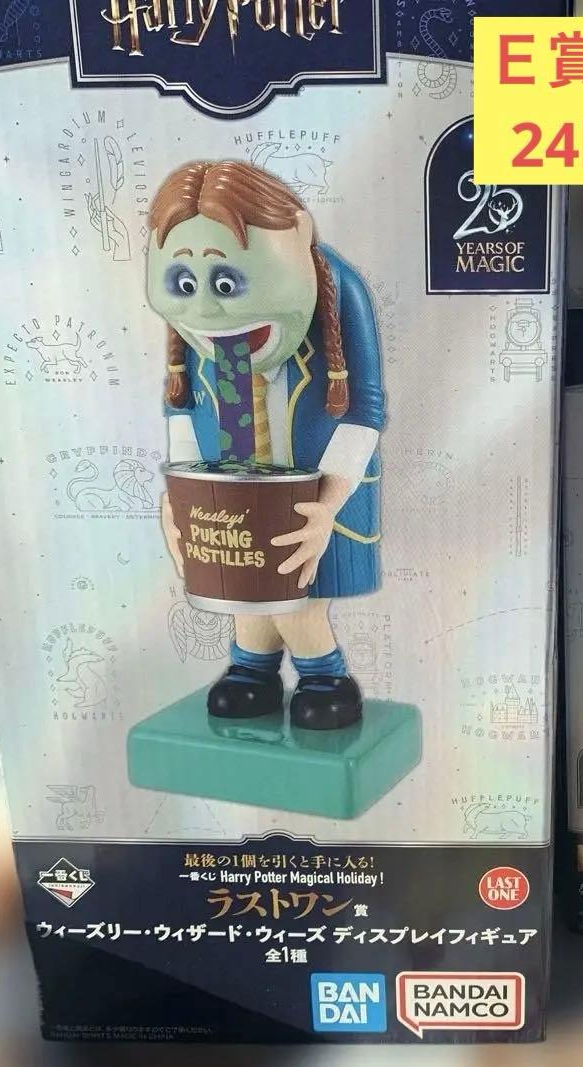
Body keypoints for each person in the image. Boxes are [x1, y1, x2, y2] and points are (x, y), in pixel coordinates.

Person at [147, 160, 384, 730]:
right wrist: (177, 500)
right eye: (184, 286)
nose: (207, 311)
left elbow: (364, 411)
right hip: (235, 481)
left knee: (296, 593)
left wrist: (328, 505)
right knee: (246, 583)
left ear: (298, 236)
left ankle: (325, 677)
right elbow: (182, 406)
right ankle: (252, 668)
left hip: (322, 479)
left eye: (227, 284)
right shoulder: (206, 337)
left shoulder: (341, 291)